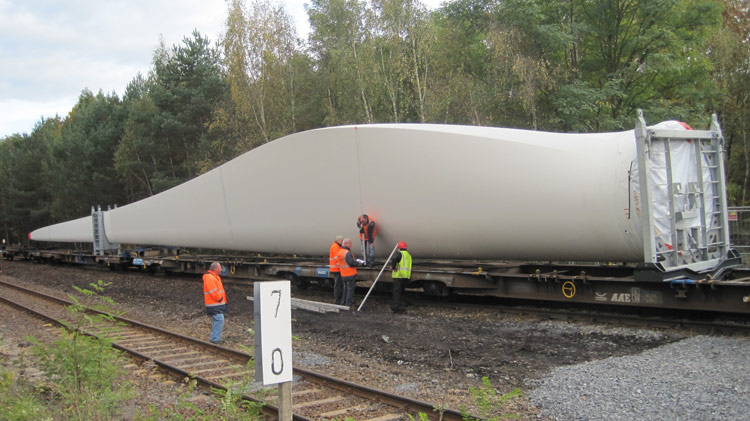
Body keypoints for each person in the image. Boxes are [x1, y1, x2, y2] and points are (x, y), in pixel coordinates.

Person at [203, 262, 228, 344]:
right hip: (214, 304)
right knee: (219, 319)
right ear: (216, 269)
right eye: (220, 267)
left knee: (217, 319)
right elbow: (213, 291)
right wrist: (220, 299)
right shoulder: (210, 278)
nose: (221, 269)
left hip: (216, 304)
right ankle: (215, 338)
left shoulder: (215, 277)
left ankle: (215, 337)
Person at [336, 237, 364, 308]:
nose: (351, 245)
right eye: (350, 243)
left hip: (343, 274)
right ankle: (348, 304)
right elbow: (351, 263)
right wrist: (359, 263)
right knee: (350, 290)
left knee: (345, 289)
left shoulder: (340, 252)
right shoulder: (347, 253)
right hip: (350, 274)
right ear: (345, 244)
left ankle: (344, 302)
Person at [390, 241, 412, 313]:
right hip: (405, 276)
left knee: (396, 292)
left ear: (399, 248)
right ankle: (402, 304)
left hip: (398, 275)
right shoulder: (408, 255)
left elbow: (394, 259)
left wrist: (393, 268)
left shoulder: (399, 253)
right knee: (402, 291)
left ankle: (395, 307)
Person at [329, 235, 344, 305]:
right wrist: (342, 266)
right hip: (336, 269)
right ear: (338, 240)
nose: (342, 242)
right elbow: (337, 258)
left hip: (336, 269)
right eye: (341, 240)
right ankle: (337, 300)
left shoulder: (336, 246)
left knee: (338, 285)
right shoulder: (335, 247)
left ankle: (338, 300)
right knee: (338, 285)